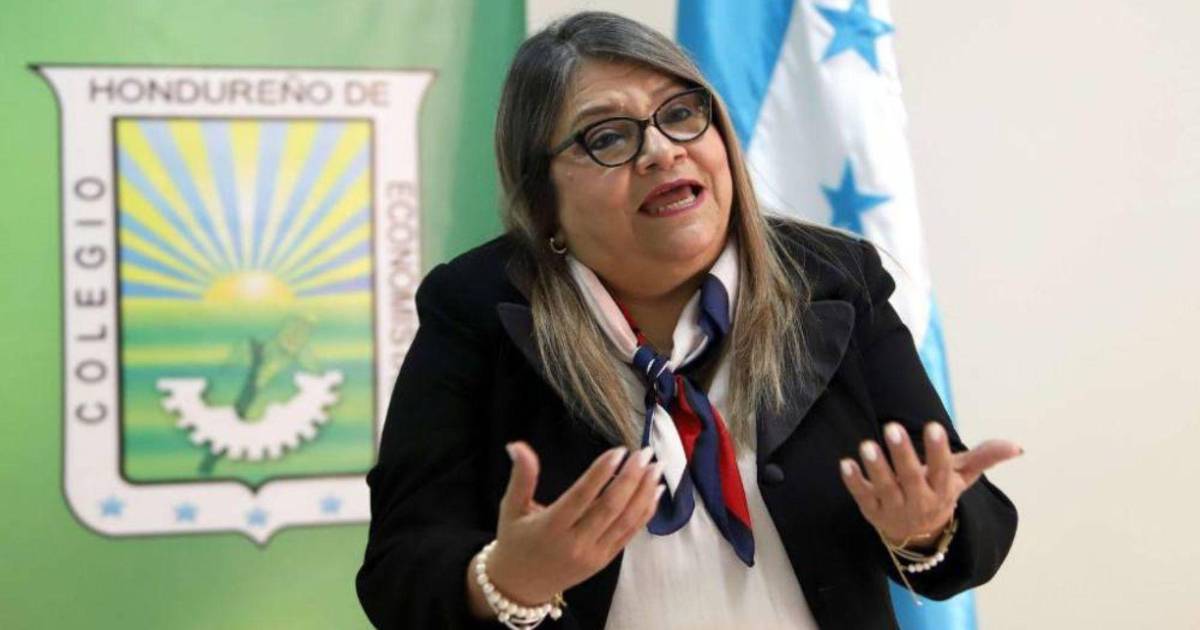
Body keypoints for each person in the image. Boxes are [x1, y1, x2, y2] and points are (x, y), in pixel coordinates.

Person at [356, 11, 1020, 630]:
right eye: (607, 137)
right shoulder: (475, 309)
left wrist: (926, 527)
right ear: (543, 198)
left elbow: (974, 523)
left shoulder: (832, 281)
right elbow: (397, 571)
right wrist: (507, 580)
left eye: (680, 114)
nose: (661, 151)